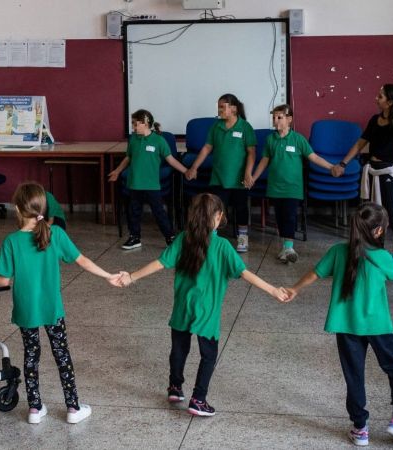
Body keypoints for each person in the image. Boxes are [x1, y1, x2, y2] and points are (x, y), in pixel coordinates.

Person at [0, 182, 121, 425]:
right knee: (62, 355)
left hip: (26, 310)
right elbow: (82, 261)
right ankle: (73, 408)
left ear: (17, 208)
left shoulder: (12, 241)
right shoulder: (56, 234)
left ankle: (34, 408)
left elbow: (2, 279)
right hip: (52, 308)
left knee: (31, 355)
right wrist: (108, 275)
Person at [116, 193, 289, 417]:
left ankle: (175, 387)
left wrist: (131, 277)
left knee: (179, 349)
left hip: (183, 307)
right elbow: (245, 273)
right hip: (207, 311)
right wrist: (273, 290)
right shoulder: (223, 246)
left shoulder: (183, 238)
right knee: (208, 355)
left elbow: (160, 263)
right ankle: (198, 399)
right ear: (218, 216)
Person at [285, 203, 393, 445]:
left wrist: (294, 289)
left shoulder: (338, 251)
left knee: (354, 376)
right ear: (378, 231)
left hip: (346, 326)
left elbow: (315, 273)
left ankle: (360, 429)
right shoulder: (382, 257)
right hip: (378, 326)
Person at [333, 85, 393, 269]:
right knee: (375, 216)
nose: (376, 98)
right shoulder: (374, 120)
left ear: (390, 102)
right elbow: (360, 144)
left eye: (380, 96)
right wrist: (343, 164)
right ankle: (378, 251)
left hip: (390, 173)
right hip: (372, 172)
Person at [248, 104, 335, 263]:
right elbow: (264, 161)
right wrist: (253, 177)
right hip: (275, 187)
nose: (275, 120)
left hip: (293, 188)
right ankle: (285, 248)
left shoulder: (298, 139)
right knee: (280, 217)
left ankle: (289, 247)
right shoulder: (270, 139)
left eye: (279, 117)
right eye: (274, 117)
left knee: (289, 216)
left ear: (289, 120)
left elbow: (313, 157)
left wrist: (331, 167)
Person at [184, 93, 257, 252]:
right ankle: (212, 237)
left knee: (241, 209)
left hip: (239, 179)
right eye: (218, 107)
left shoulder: (245, 127)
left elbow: (251, 152)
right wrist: (194, 167)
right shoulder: (216, 127)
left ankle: (243, 239)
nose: (219, 110)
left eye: (222, 107)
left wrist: (248, 173)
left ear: (234, 109)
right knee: (216, 210)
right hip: (219, 177)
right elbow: (206, 148)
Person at [109, 109, 188, 249]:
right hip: (135, 183)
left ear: (145, 123)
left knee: (159, 212)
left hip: (152, 185)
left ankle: (170, 237)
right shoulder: (133, 140)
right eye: (132, 124)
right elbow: (128, 158)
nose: (133, 127)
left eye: (135, 124)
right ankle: (135, 237)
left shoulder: (159, 140)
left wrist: (186, 171)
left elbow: (170, 160)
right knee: (134, 211)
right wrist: (117, 171)